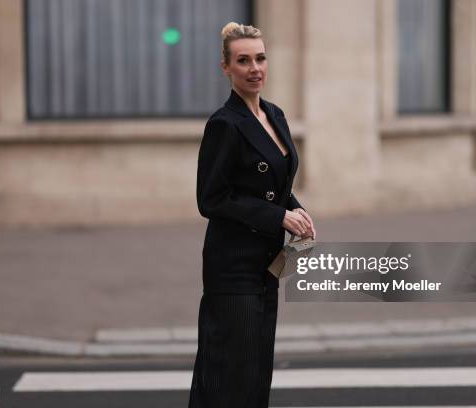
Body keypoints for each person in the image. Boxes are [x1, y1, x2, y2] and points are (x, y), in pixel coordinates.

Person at [188, 22, 316, 408]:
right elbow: (211, 199)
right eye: (243, 60)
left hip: (266, 265)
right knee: (230, 375)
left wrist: (296, 209)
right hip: (232, 267)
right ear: (226, 68)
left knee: (257, 372)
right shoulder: (224, 124)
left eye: (260, 58)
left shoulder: (274, 115)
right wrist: (277, 217)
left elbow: (275, 186)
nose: (254, 68)